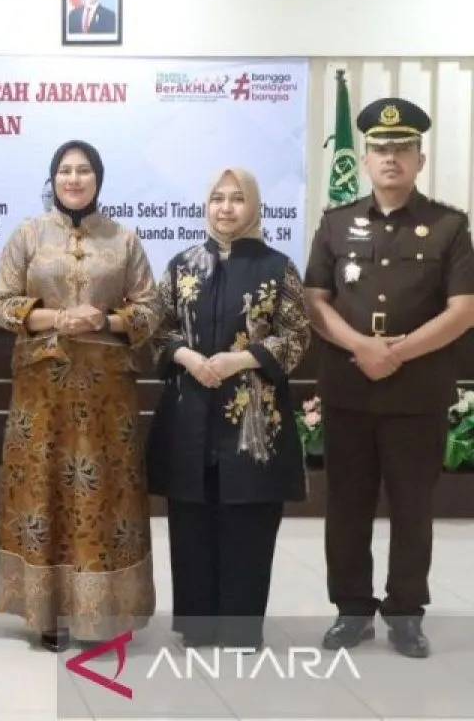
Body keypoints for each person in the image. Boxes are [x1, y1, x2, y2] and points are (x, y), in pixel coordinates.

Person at [304, 98, 474, 659]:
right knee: (346, 507)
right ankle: (351, 610)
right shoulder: (335, 223)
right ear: (366, 159)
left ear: (420, 159)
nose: (391, 157)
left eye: (402, 148)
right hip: (350, 389)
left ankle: (405, 613)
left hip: (416, 393)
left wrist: (396, 353)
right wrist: (362, 347)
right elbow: (315, 300)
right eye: (380, 148)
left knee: (412, 509)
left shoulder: (449, 226)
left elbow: (464, 309)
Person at [0, 139, 158, 652]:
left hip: (107, 397)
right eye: (65, 170)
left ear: (98, 179)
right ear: (53, 179)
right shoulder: (29, 234)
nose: (74, 179)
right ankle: (45, 612)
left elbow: (150, 310)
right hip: (41, 395)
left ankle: (103, 612)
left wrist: (104, 320)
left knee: (105, 497)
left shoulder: (124, 240)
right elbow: (1, 303)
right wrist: (58, 318)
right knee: (43, 495)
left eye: (84, 170)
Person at [146, 167, 311, 650]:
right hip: (190, 416)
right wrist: (186, 357)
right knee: (191, 520)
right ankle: (197, 626)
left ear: (253, 206)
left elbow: (297, 336)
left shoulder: (278, 267)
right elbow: (157, 327)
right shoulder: (182, 265)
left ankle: (241, 628)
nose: (225, 207)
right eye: (217, 198)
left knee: (248, 521)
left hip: (253, 421)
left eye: (237, 198)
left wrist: (242, 359)